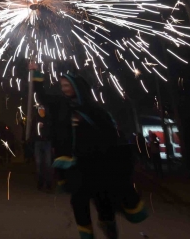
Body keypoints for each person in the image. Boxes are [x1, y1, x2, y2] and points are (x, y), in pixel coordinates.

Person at [31, 63, 147, 239]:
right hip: (76, 166)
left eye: (67, 85)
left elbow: (110, 137)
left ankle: (109, 228)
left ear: (77, 87)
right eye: (62, 86)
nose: (64, 89)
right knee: (78, 201)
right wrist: (36, 73)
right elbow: (42, 97)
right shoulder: (62, 105)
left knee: (103, 202)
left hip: (97, 166)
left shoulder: (94, 110)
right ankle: (87, 236)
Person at [32, 105, 53, 190]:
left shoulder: (48, 119)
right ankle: (40, 181)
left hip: (47, 142)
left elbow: (52, 130)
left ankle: (48, 182)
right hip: (38, 142)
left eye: (42, 109)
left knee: (48, 163)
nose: (41, 111)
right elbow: (33, 129)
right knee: (38, 162)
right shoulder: (35, 119)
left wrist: (45, 127)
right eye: (39, 109)